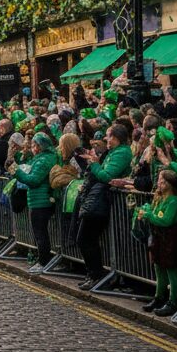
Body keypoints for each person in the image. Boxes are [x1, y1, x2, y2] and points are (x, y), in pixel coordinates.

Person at [75, 123, 132, 290]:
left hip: (101, 200)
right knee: (86, 239)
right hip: (97, 199)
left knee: (85, 238)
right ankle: (94, 274)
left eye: (108, 135)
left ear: (115, 138)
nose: (106, 139)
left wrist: (94, 164)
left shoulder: (122, 153)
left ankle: (96, 275)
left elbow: (106, 176)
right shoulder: (114, 152)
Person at [139, 169, 177, 317]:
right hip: (158, 237)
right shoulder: (159, 198)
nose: (159, 183)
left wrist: (148, 215)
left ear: (170, 184)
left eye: (162, 181)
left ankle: (173, 301)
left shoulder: (175, 200)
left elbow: (166, 220)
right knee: (158, 267)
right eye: (159, 180)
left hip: (170, 237)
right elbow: (154, 212)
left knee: (171, 269)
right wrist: (145, 210)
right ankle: (159, 297)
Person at [14, 131, 57, 272]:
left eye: (34, 144)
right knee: (41, 232)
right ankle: (44, 260)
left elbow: (33, 180)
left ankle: (43, 262)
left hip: (40, 201)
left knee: (40, 233)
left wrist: (16, 172)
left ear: (39, 146)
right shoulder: (43, 158)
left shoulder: (43, 160)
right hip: (40, 199)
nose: (32, 147)